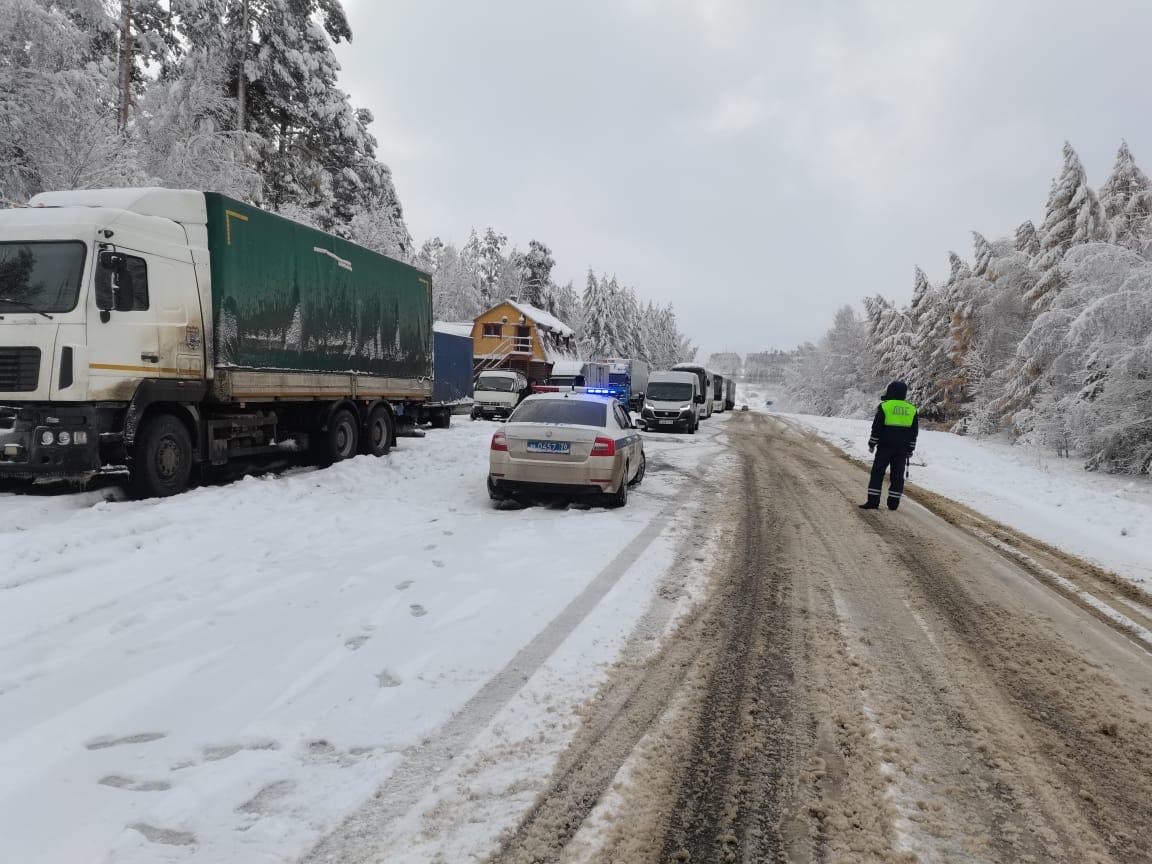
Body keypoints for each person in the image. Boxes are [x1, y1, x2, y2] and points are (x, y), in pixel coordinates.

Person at [860, 380, 918, 511]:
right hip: (902, 449)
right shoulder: (911, 409)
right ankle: (893, 504)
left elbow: (877, 427)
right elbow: (914, 432)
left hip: (885, 447)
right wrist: (910, 448)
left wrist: (872, 443)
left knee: (877, 473)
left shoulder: (885, 406)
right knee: (897, 476)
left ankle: (873, 502)